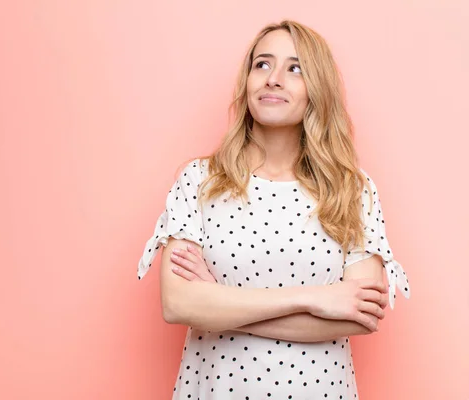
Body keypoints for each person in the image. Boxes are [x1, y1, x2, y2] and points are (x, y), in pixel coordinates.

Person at [136, 20, 411, 400]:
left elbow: (358, 316)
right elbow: (178, 302)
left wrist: (219, 299)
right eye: (262, 64)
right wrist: (314, 298)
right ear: (246, 81)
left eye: (294, 68)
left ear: (318, 88)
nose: (273, 78)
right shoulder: (200, 180)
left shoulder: (351, 189)